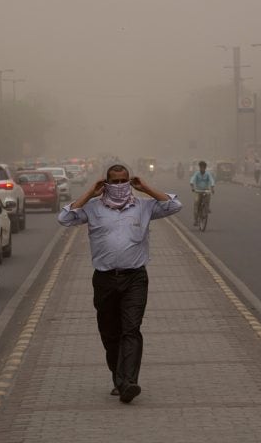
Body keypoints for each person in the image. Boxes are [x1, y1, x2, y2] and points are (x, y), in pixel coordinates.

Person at [57, 164, 182, 404]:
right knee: (110, 333)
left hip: (135, 278)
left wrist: (145, 188)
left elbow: (174, 205)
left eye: (123, 181)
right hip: (104, 280)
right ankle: (118, 377)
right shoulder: (93, 209)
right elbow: (65, 218)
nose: (118, 186)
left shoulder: (144, 207)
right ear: (105, 183)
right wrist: (89, 194)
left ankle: (129, 382)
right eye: (113, 182)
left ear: (129, 181)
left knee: (131, 330)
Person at [189, 160, 215, 226]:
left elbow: (212, 180)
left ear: (205, 168)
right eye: (201, 167)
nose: (202, 169)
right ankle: (195, 220)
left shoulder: (208, 174)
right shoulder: (197, 173)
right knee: (196, 204)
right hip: (198, 190)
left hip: (206, 190)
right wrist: (192, 187)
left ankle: (207, 207)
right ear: (199, 167)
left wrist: (212, 188)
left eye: (203, 167)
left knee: (208, 197)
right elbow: (192, 179)